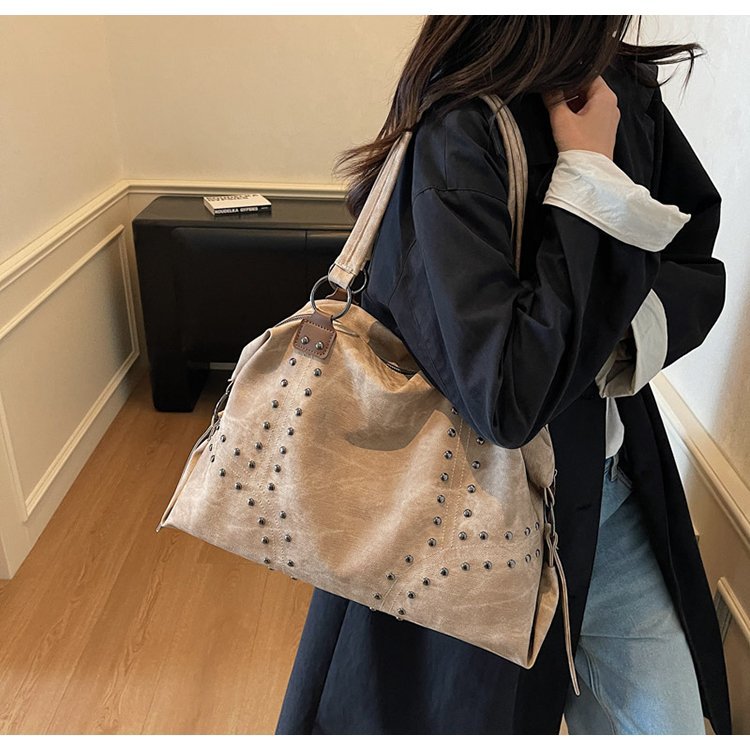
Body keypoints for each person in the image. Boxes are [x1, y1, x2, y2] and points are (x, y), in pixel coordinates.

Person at [274, 16, 731, 734]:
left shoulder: (617, 88)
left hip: (610, 498)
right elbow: (507, 396)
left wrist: (614, 342)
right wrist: (590, 177)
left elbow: (693, 253)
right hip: (459, 522)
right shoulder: (458, 124)